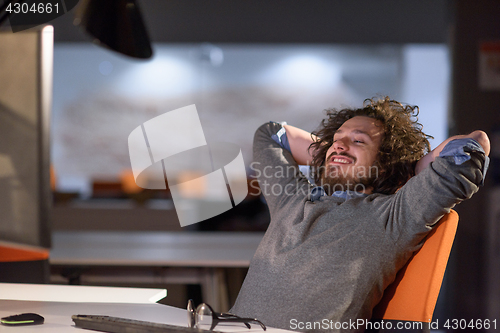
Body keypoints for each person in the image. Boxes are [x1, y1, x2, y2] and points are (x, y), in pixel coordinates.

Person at [230, 97, 490, 332]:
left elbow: (474, 144)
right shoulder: (292, 197)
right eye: (335, 139)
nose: (338, 145)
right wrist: (331, 153)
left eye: (358, 140)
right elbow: (270, 134)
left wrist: (407, 167)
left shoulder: (394, 215)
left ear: (386, 159)